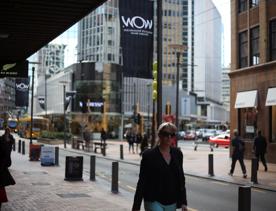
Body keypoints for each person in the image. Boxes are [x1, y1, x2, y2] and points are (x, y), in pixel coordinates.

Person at [132, 122, 188, 211]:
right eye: (166, 134)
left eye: (172, 134)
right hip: (153, 200)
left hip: (171, 201)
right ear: (159, 135)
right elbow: (142, 181)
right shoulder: (148, 155)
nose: (169, 137)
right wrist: (136, 206)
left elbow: (181, 179)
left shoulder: (178, 154)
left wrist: (184, 202)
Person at [0, 127, 16, 209]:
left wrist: (9, 142)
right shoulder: (2, 138)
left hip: (5, 158)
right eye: (7, 131)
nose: (7, 132)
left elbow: (12, 143)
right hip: (3, 160)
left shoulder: (10, 137)